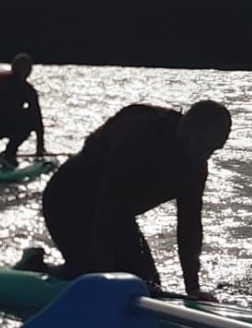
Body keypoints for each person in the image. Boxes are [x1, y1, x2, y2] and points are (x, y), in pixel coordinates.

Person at [39, 100, 231, 301]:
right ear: (187, 128)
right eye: (204, 147)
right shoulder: (140, 135)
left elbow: (189, 225)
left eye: (213, 150)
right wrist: (104, 279)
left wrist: (193, 288)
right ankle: (37, 266)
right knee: (87, 274)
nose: (205, 157)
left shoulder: (196, 166)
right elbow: (107, 209)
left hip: (117, 215)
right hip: (67, 202)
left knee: (148, 285)